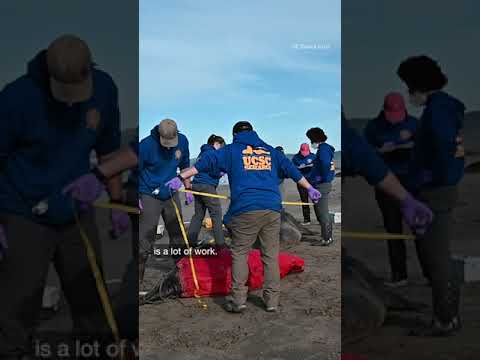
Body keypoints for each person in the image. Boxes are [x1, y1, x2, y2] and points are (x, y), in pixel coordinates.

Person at [0, 35, 129, 358]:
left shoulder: (103, 88)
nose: (71, 102)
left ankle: (96, 350)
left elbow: (109, 149)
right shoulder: (16, 99)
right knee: (20, 300)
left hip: (76, 209)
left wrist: (115, 203)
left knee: (90, 294)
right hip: (22, 212)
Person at [165, 121, 321, 313]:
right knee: (270, 255)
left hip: (245, 209)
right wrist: (310, 188)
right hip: (272, 208)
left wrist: (181, 178)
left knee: (240, 253)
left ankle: (238, 299)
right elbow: (292, 171)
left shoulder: (231, 150)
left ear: (235, 135)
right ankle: (272, 300)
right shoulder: (271, 151)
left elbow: (206, 162)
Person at [397, 55, 464, 336]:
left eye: (408, 86)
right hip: (436, 190)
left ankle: (445, 319)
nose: (408, 93)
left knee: (435, 257)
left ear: (417, 84)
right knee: (433, 255)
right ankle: (446, 313)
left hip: (434, 193)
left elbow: (443, 151)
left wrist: (424, 180)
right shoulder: (444, 108)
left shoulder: (438, 112)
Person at [364, 92, 427, 287]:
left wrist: (413, 146)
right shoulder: (373, 127)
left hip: (413, 183)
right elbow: (364, 153)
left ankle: (429, 274)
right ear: (384, 110)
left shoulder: (415, 124)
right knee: (393, 230)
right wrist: (381, 151)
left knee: (420, 230)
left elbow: (428, 149)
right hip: (386, 185)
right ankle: (400, 276)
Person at [137, 118, 193, 283]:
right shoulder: (145, 146)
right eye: (165, 142)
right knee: (145, 236)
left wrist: (188, 188)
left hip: (171, 191)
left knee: (178, 233)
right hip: (148, 193)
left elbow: (184, 166)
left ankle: (180, 271)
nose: (168, 146)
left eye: (171, 142)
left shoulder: (182, 141)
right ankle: (138, 276)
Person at [187, 134, 226, 247]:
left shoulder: (202, 153)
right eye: (222, 147)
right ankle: (220, 244)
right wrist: (221, 173)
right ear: (216, 144)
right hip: (207, 186)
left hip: (197, 185)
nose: (222, 150)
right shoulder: (212, 153)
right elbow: (214, 171)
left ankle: (191, 241)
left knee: (198, 215)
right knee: (216, 214)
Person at [306, 128, 336, 246]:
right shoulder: (325, 149)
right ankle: (327, 236)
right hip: (322, 184)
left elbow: (325, 165)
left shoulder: (323, 150)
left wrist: (320, 178)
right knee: (321, 211)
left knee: (322, 212)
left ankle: (327, 238)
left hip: (321, 185)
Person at [292, 143, 316, 225]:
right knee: (304, 201)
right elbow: (292, 169)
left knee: (316, 200)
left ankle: (320, 219)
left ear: (309, 150)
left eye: (306, 152)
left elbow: (319, 166)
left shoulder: (313, 156)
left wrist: (313, 165)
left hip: (312, 181)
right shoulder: (296, 158)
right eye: (303, 152)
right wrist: (299, 167)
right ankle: (307, 220)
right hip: (301, 182)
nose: (305, 154)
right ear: (300, 150)